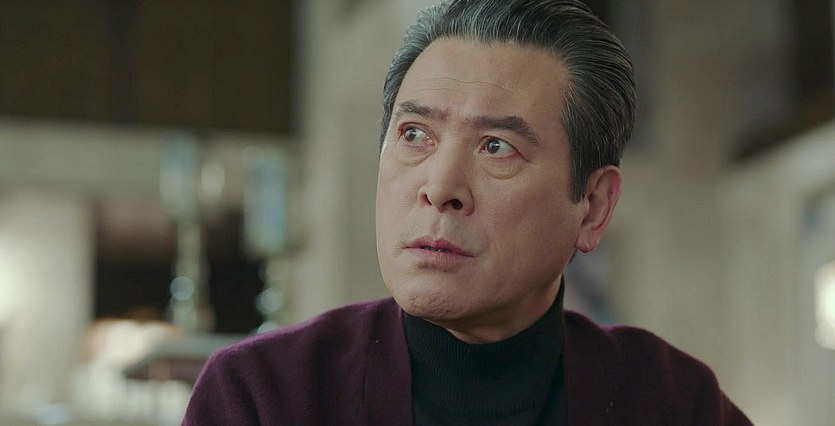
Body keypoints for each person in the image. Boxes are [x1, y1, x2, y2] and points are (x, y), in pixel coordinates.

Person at [183, 1, 753, 424]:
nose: (440, 188)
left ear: (593, 207)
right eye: (414, 134)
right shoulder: (264, 396)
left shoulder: (673, 404)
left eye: (497, 147)